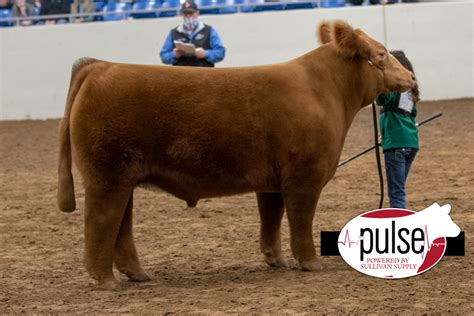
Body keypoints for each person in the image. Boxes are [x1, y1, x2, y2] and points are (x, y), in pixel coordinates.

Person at [376, 50, 420, 209]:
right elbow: (411, 115)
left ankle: (399, 227)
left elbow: (380, 99)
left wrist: (379, 81)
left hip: (396, 146)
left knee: (396, 194)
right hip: (411, 144)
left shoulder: (395, 88)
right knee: (399, 189)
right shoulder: (411, 90)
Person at [160, 1, 225, 67]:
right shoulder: (174, 32)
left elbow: (220, 52)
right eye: (185, 13)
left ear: (197, 13)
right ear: (181, 14)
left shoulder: (209, 30)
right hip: (181, 74)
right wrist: (174, 55)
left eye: (191, 13)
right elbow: (163, 56)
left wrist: (205, 54)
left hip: (203, 74)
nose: (188, 15)